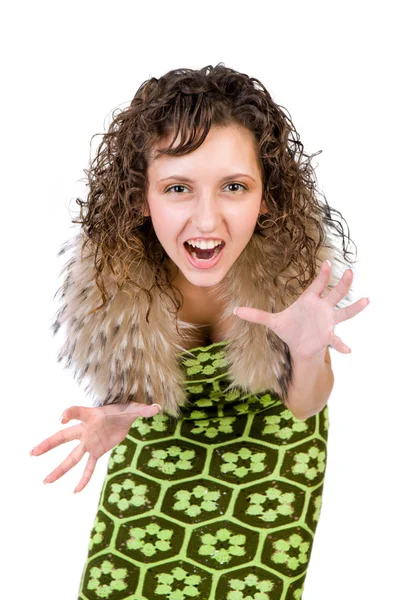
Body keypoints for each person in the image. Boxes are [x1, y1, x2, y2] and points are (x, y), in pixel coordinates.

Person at [31, 64, 368, 599]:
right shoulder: (111, 275)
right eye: (178, 188)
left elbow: (304, 406)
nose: (207, 221)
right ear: (143, 197)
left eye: (234, 186)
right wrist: (114, 414)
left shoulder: (290, 268)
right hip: (164, 429)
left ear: (266, 196)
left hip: (273, 434)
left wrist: (308, 354)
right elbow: (137, 390)